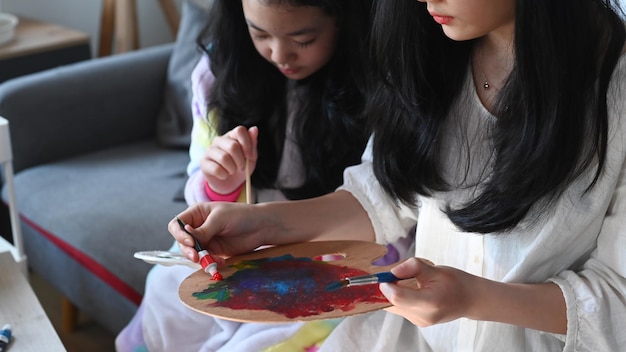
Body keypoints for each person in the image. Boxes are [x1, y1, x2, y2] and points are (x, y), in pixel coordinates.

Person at [169, 0, 626, 350]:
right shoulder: (431, 49)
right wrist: (263, 223)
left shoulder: (614, 90)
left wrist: (472, 298)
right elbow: (388, 193)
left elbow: (617, 304)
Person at [115, 0, 413, 351]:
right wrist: (222, 184)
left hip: (354, 245)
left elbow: (386, 204)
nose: (279, 54)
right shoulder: (220, 71)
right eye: (259, 33)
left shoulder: (383, 78)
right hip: (245, 237)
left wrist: (263, 223)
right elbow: (201, 181)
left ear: (344, 19)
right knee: (167, 293)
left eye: (303, 40)